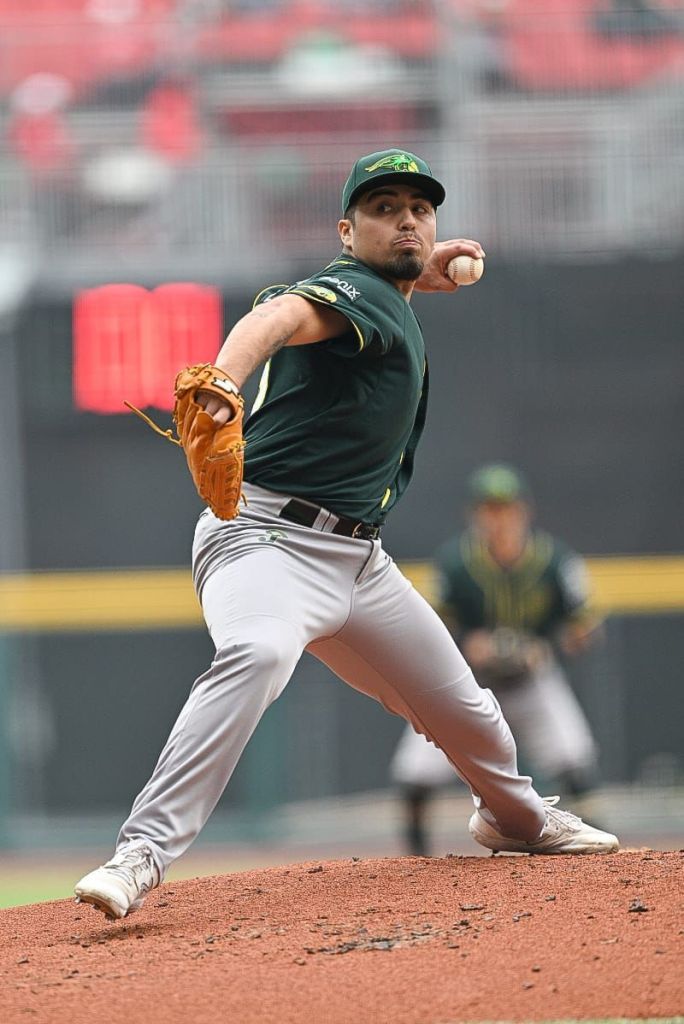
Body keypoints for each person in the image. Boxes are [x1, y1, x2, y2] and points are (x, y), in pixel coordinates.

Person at [74, 149, 618, 919]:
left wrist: (420, 273)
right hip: (264, 541)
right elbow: (277, 319)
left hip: (359, 562)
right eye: (383, 208)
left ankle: (517, 820)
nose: (407, 221)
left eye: (419, 210)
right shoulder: (354, 289)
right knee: (259, 652)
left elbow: (347, 301)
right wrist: (223, 379)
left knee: (469, 714)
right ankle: (141, 853)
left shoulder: (382, 296)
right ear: (346, 230)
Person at [391, 462, 605, 856]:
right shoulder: (455, 564)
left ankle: (602, 860)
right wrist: (468, 643)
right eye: (489, 509)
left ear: (524, 510)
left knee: (573, 757)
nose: (498, 518)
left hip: (532, 681)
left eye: (505, 508)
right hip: (470, 681)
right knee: (415, 773)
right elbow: (430, 628)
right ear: (474, 514)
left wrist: (548, 645)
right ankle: (416, 863)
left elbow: (585, 627)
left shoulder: (555, 561)